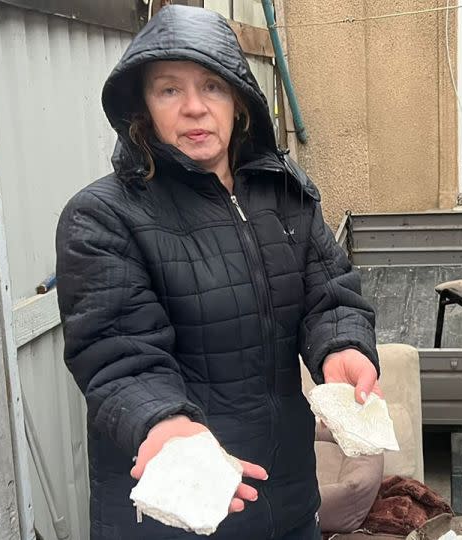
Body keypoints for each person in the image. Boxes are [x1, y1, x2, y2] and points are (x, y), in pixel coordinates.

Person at [54, 6, 380, 539]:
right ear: (143, 108)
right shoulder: (103, 216)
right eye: (168, 90)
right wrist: (167, 424)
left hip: (287, 493)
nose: (194, 108)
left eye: (212, 86)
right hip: (179, 502)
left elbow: (332, 292)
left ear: (239, 102)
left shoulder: (283, 193)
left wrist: (342, 347)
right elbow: (117, 351)